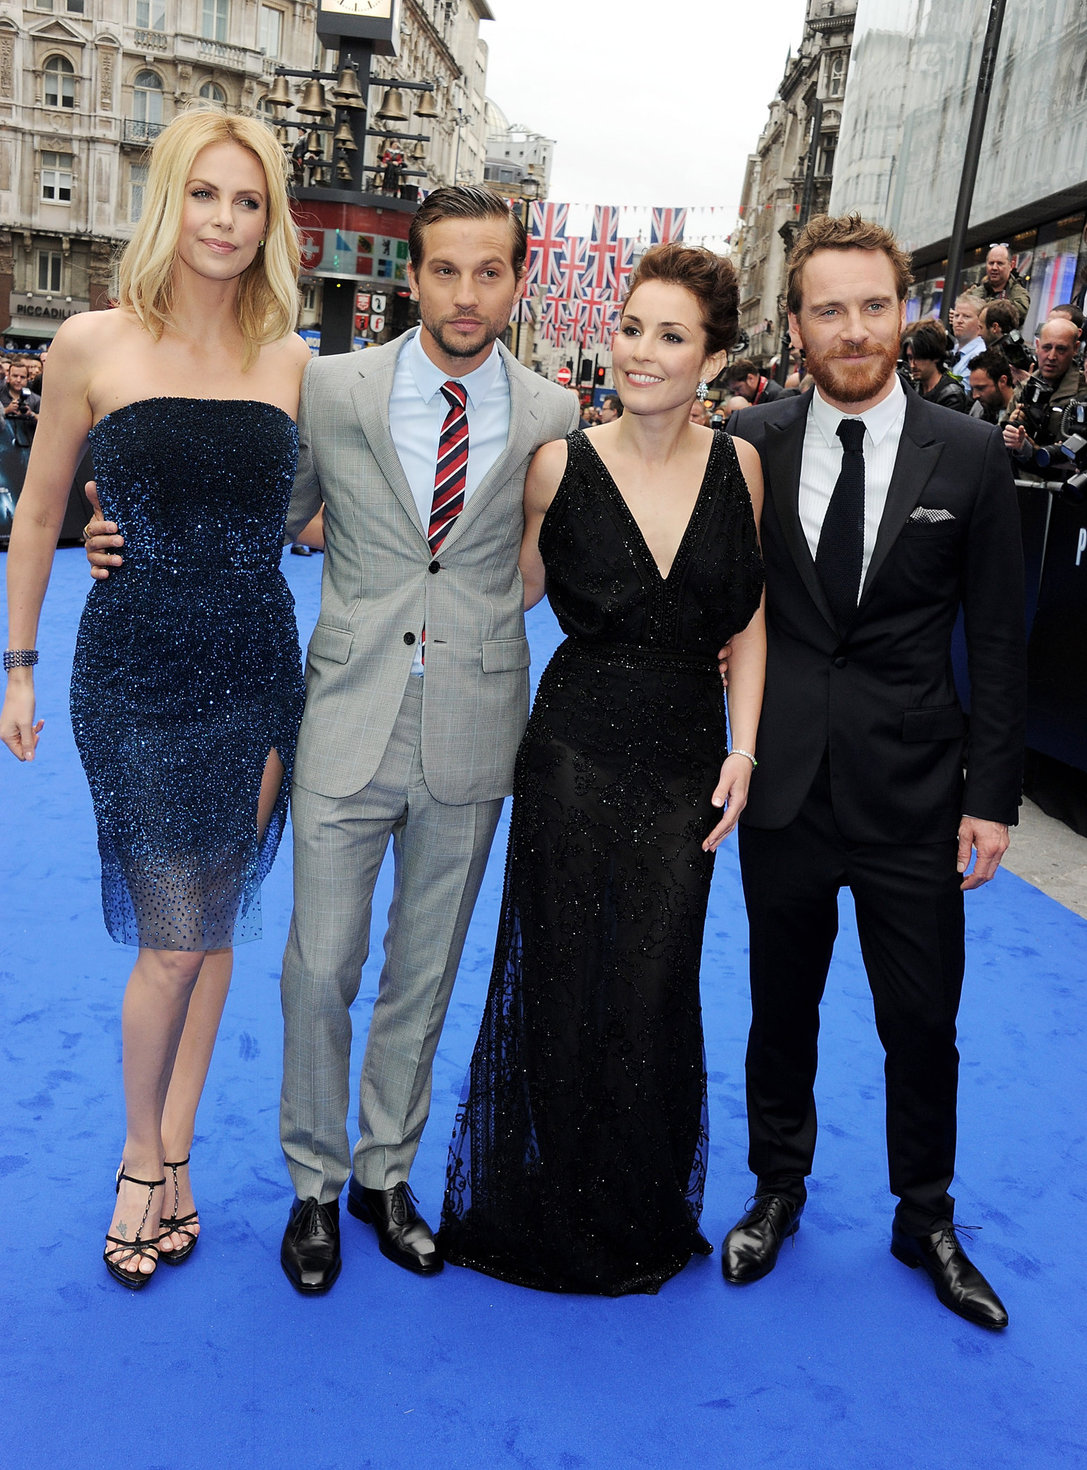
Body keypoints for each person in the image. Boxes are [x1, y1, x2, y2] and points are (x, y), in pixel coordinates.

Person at [2, 108, 309, 1289]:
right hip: (132, 671)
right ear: (167, 200)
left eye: (249, 201)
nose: (225, 221)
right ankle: (139, 1158)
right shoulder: (91, 342)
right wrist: (19, 664)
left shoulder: (295, 361)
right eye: (205, 194)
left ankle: (177, 1147)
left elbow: (318, 515)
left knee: (214, 920)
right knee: (174, 940)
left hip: (255, 665)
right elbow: (40, 511)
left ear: (271, 223)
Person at [439, 243, 767, 1296]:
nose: (641, 351)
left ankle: (633, 1199)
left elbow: (749, 619)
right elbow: (495, 586)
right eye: (630, 327)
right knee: (562, 969)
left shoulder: (739, 467)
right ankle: (548, 1195)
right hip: (573, 751)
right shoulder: (558, 465)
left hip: (685, 761)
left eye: (670, 335)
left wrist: (743, 747)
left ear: (710, 360)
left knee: (653, 977)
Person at [723, 213, 1026, 1330]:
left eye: (872, 306)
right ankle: (776, 1188)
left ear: (905, 312)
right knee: (780, 1007)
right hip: (785, 783)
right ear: (795, 324)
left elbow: (999, 639)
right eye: (828, 310)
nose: (852, 330)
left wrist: (990, 797)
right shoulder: (749, 440)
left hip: (915, 793)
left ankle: (924, 1216)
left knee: (920, 1021)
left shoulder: (972, 453)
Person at [902, 319, 968, 411]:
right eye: (910, 358)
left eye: (919, 358)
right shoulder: (915, 388)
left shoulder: (951, 395)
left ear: (935, 356)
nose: (912, 365)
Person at [963, 243, 1030, 324]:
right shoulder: (974, 291)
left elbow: (1019, 314)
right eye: (991, 263)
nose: (994, 268)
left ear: (1011, 266)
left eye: (1000, 263)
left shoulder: (1018, 293)